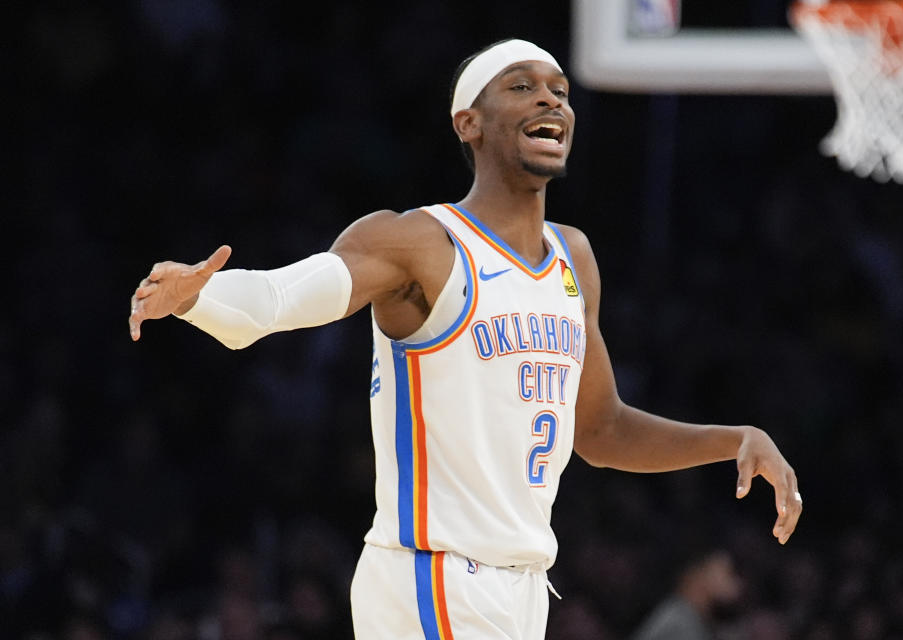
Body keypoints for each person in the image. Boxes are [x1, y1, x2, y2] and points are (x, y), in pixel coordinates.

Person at [127, 39, 802, 640]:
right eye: (522, 86)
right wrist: (201, 297)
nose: (550, 99)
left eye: (560, 91)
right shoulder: (419, 243)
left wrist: (731, 438)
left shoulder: (575, 260)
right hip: (434, 576)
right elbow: (279, 299)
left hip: (524, 586)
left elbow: (599, 430)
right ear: (468, 122)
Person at [630, 548, 742, 640]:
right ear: (698, 575)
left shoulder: (688, 617)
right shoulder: (680, 623)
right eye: (727, 573)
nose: (737, 583)